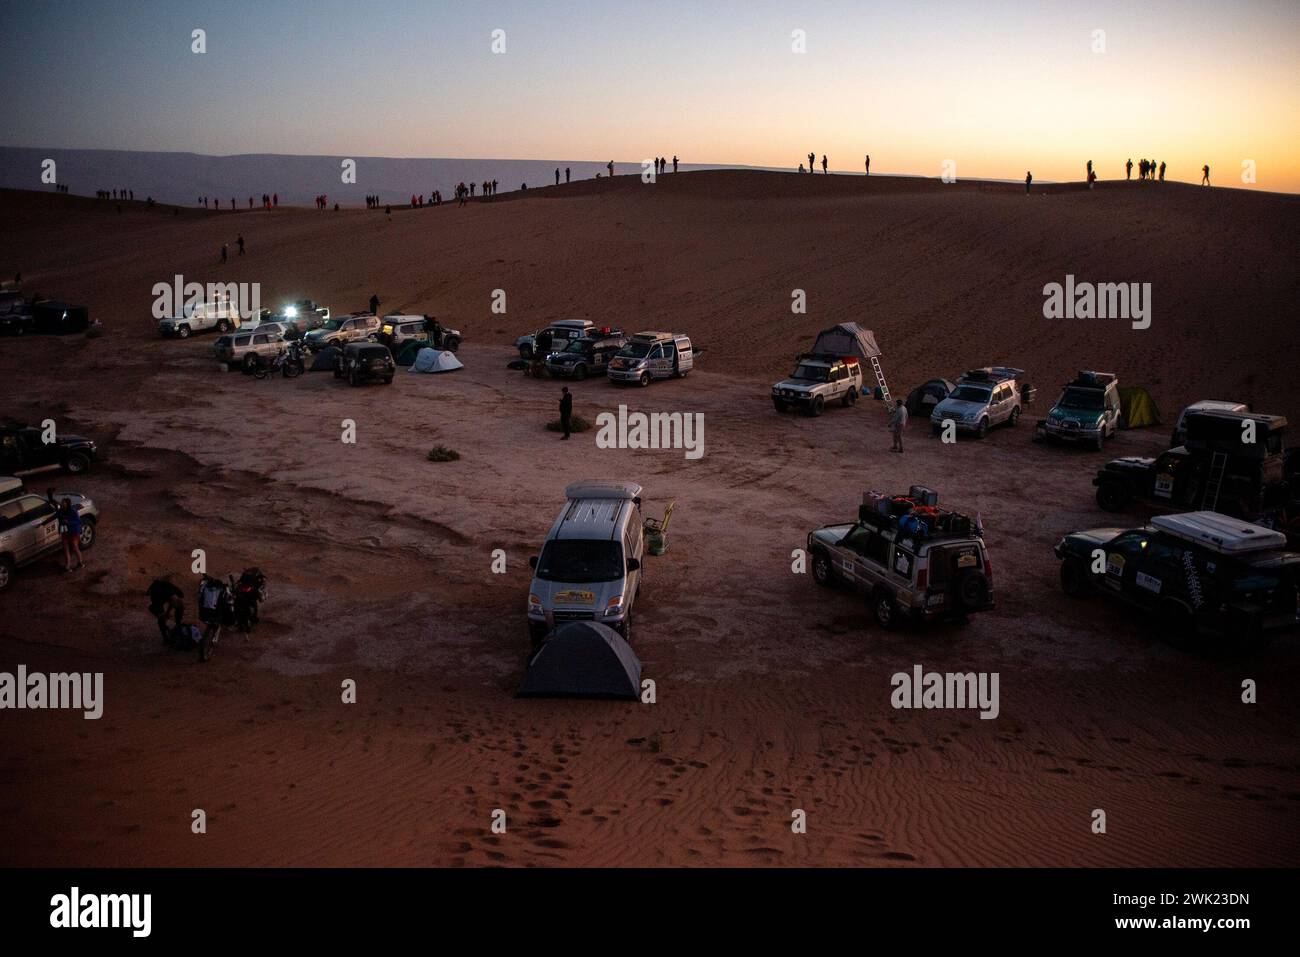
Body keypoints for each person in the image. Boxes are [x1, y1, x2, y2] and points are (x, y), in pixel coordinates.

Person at [147, 577, 185, 641]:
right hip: (157, 593)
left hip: (167, 591)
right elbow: (161, 611)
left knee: (180, 607)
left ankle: (178, 625)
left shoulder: (176, 591)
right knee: (161, 617)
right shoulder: (157, 595)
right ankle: (164, 636)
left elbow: (176, 600)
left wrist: (168, 612)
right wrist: (164, 614)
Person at [53, 496, 84, 570]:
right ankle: (67, 566)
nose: (61, 503)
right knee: (65, 549)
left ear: (67, 503)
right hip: (65, 531)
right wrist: (43, 523)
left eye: (63, 502)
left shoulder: (73, 511)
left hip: (73, 531)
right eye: (61, 502)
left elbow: (78, 521)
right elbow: (55, 516)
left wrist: (68, 522)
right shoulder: (61, 511)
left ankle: (80, 562)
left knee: (74, 547)